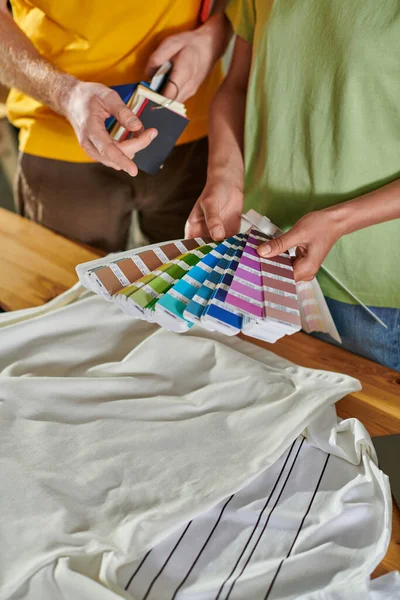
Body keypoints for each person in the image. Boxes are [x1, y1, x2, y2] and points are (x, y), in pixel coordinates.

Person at [185, 0, 400, 371]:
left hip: (371, 291)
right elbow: (236, 87)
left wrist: (338, 221)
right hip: (260, 258)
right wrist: (224, 177)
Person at [0, 1, 231, 252]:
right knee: (71, 287)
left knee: (193, 284)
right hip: (61, 139)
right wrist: (65, 94)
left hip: (193, 130)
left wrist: (214, 34)